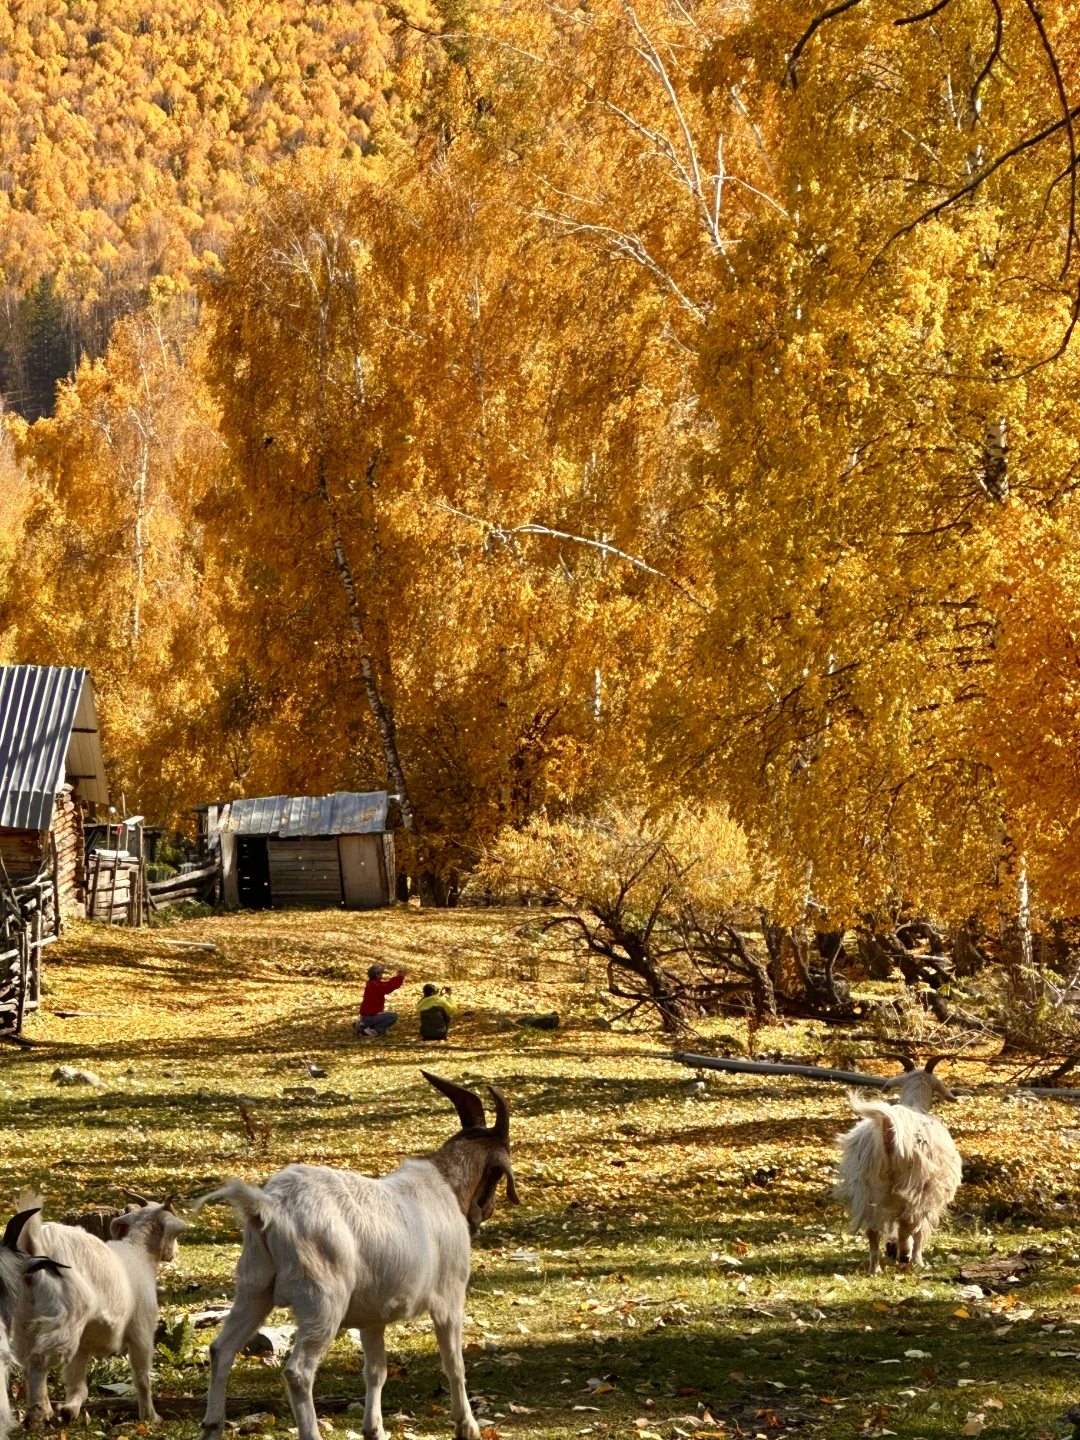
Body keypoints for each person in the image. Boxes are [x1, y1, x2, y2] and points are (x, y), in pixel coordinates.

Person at [354, 964, 406, 1038]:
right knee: (393, 1017)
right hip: (369, 1016)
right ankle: (372, 1030)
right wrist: (400, 977)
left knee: (387, 1016)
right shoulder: (374, 985)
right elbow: (388, 987)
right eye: (381, 973)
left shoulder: (373, 983)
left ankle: (365, 1026)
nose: (382, 975)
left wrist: (398, 977)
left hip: (368, 1016)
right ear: (376, 975)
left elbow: (387, 984)